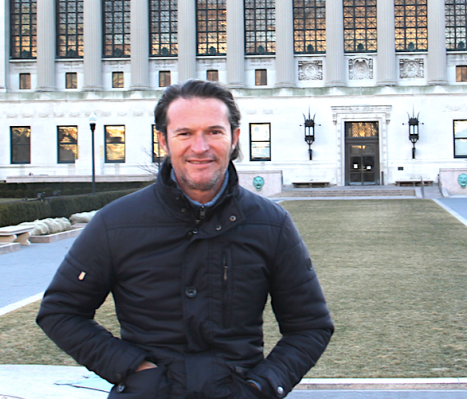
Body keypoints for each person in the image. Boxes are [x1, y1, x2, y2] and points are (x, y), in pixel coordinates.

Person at [37, 79, 333, 399]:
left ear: (234, 138)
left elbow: (310, 326)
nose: (200, 147)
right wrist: (135, 370)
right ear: (163, 140)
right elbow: (60, 312)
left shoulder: (271, 224)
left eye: (214, 132)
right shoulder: (116, 223)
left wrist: (261, 387)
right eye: (185, 133)